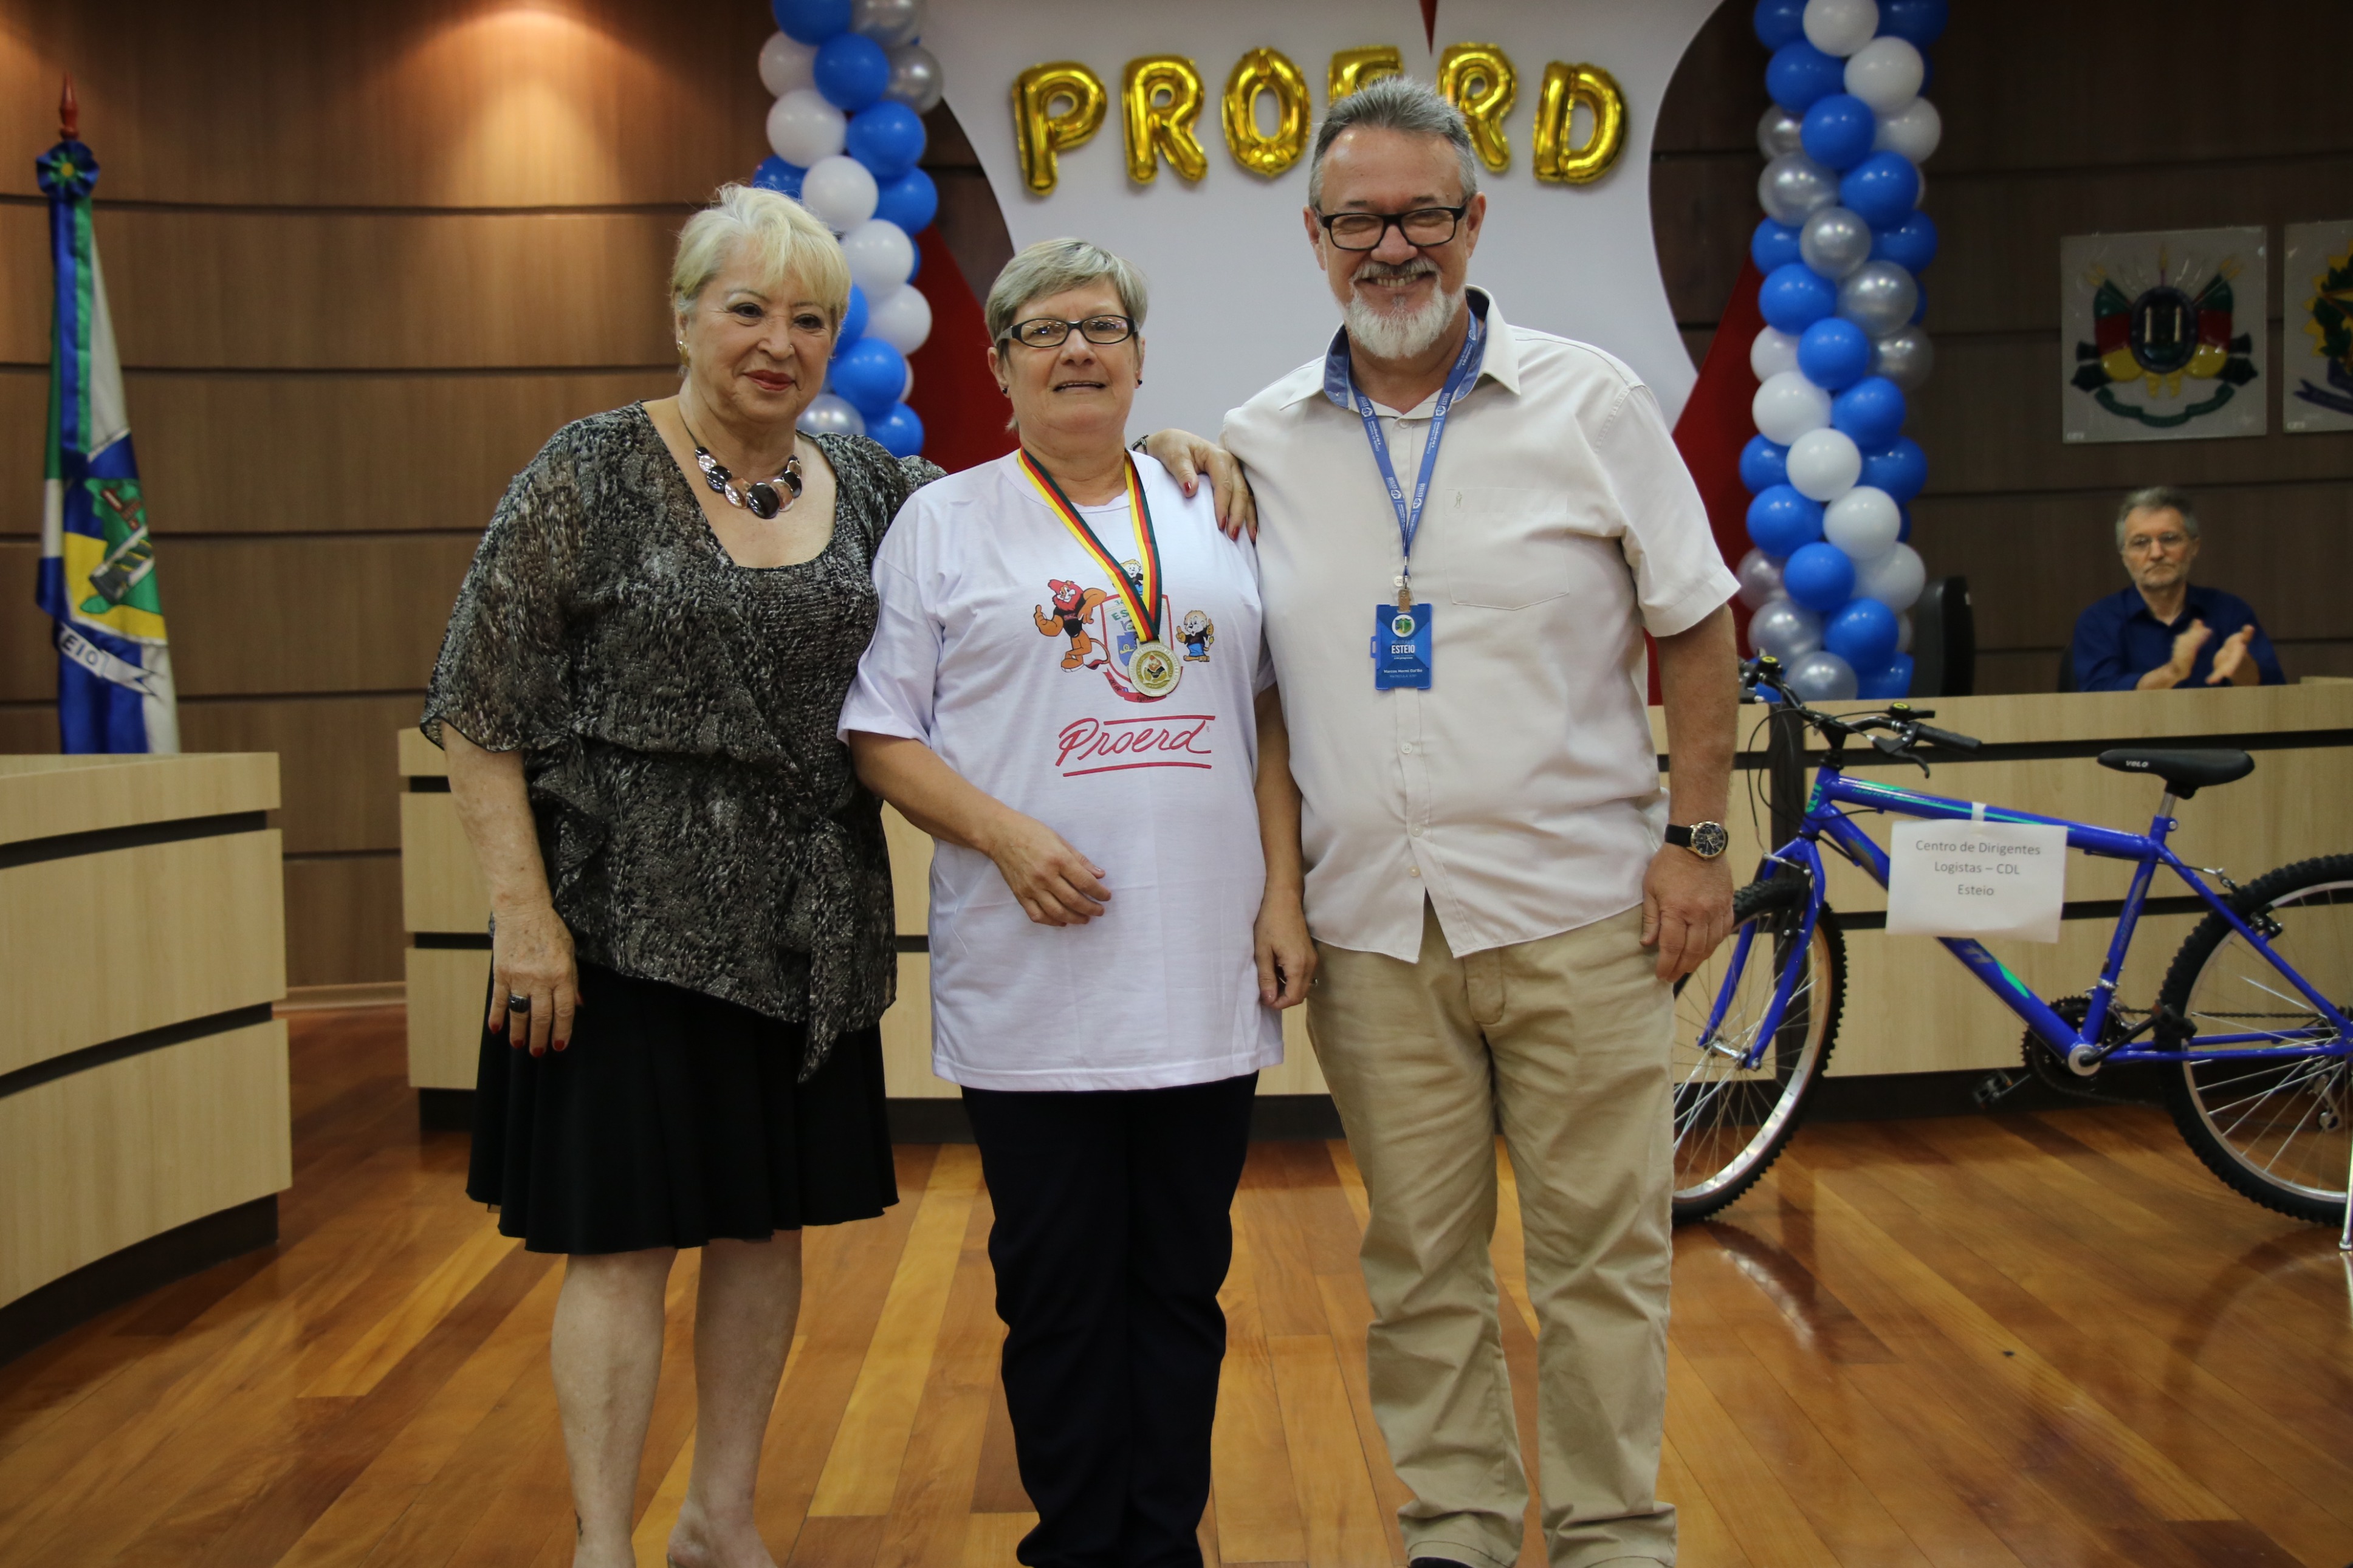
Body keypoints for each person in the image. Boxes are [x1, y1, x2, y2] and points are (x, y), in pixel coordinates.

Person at [421, 187, 1248, 1568]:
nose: (779, 342)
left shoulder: (871, 487)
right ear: (683, 315)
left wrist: (1164, 451)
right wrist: (522, 913)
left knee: (763, 1234)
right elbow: (476, 698)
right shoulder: (589, 470)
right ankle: (602, 1544)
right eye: (747, 309)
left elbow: (1043, 511)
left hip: (807, 935)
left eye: (810, 319)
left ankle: (719, 1518)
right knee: (622, 1245)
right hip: (623, 925)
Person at [1219, 80, 1739, 1568]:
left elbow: (1697, 623)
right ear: (1314, 237)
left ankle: (1611, 1532)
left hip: (1583, 914)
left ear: (1473, 221)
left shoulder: (1592, 402)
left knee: (1602, 1261)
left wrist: (1698, 841)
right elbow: (1261, 689)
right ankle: (1455, 1526)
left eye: (1422, 215)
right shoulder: (1258, 441)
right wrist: (1280, 886)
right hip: (1375, 933)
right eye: (1359, 221)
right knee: (1417, 1264)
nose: (1393, 247)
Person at [840, 238, 1312, 1568]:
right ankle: (1072, 1548)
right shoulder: (944, 523)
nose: (1075, 351)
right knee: (1054, 1293)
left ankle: (1161, 1547)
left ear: (1141, 358)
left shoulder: (1216, 508)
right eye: (1042, 332)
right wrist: (1004, 836)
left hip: (1200, 971)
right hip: (1033, 987)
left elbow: (1270, 716)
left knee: (1181, 1286)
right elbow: (880, 735)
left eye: (1101, 327)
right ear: (1000, 367)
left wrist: (1284, 895)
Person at [2070, 485, 2284, 691]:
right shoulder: (2098, 621)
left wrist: (2242, 668)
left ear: (2194, 547)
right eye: (2141, 543)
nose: (2156, 553)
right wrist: (2173, 672)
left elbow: (2274, 694)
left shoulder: (2231, 612)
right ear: (2125, 557)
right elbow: (2098, 697)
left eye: (2169, 539)